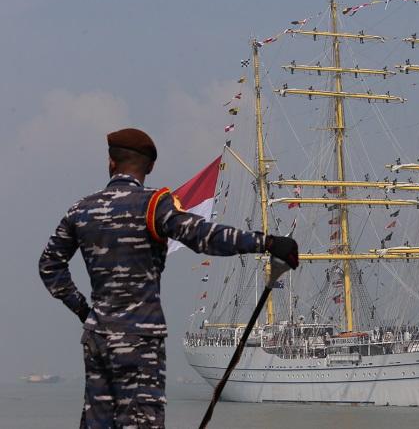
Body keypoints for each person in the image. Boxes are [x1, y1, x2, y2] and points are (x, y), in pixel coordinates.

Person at [39, 129, 299, 428]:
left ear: (111, 162)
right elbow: (203, 236)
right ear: (149, 167)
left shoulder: (81, 210)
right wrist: (265, 243)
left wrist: (84, 310)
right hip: (139, 340)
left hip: (97, 338)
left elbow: (49, 265)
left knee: (97, 422)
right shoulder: (153, 206)